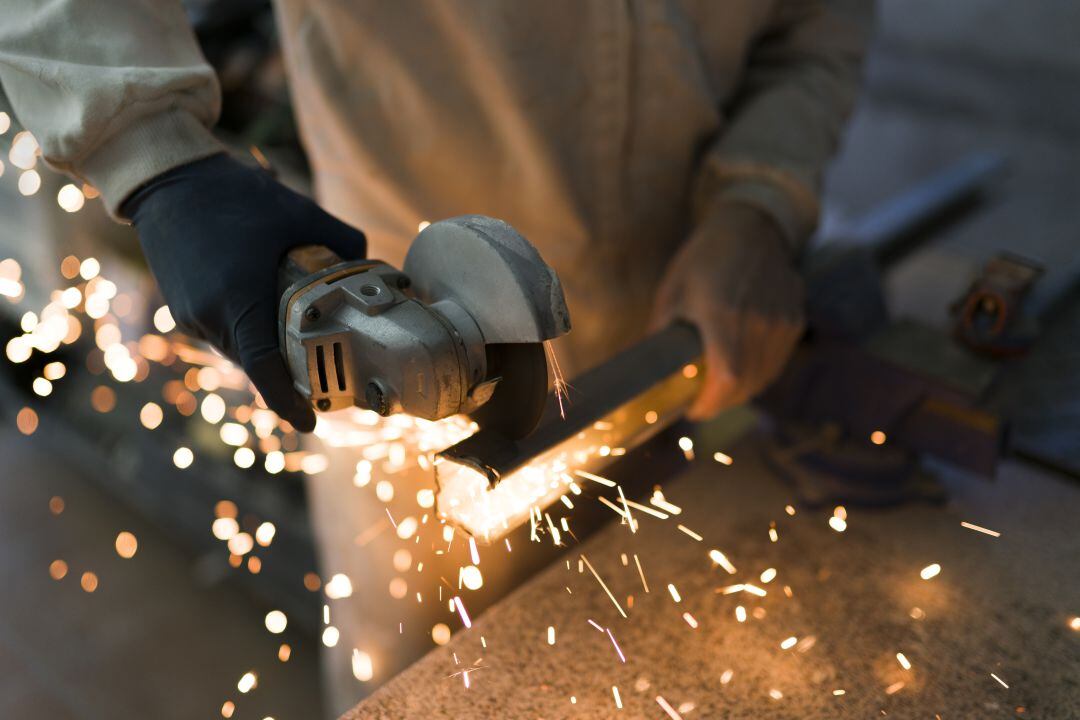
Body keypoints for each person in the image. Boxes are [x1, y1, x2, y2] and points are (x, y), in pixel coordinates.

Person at [1, 1, 868, 714]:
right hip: (422, 404)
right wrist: (152, 155)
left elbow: (822, 27)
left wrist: (759, 199)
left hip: (689, 337)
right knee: (421, 688)